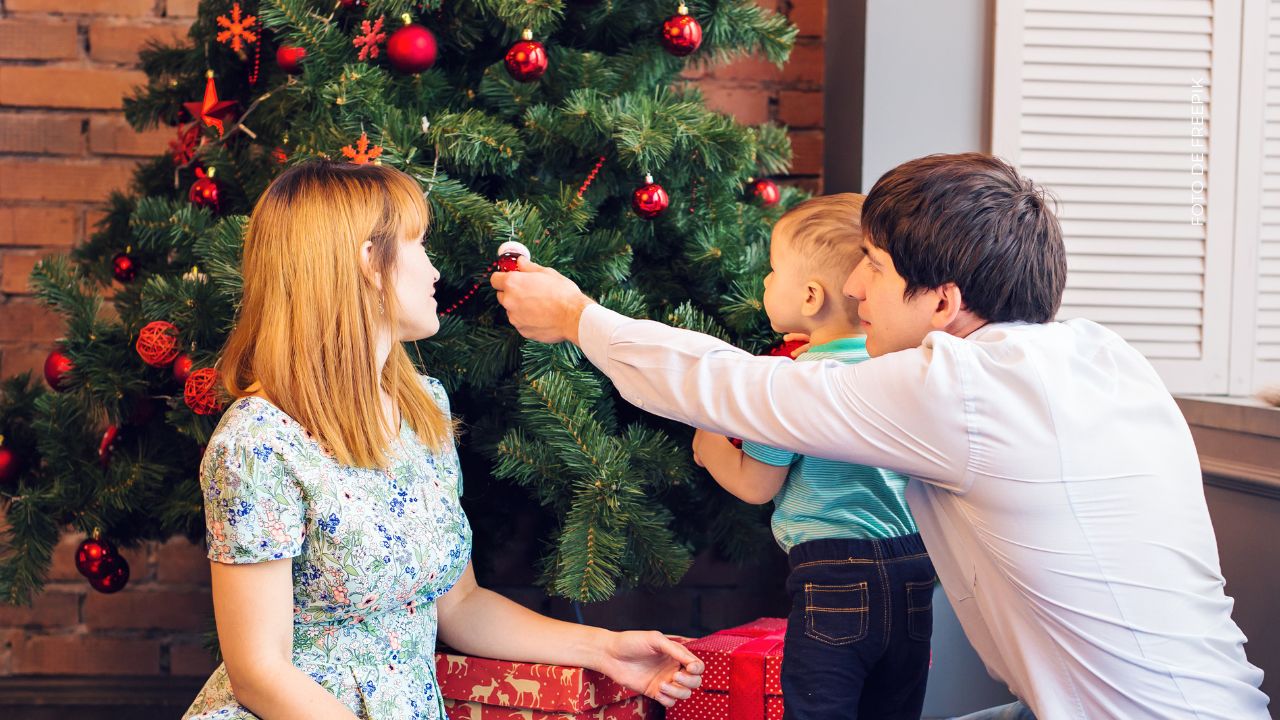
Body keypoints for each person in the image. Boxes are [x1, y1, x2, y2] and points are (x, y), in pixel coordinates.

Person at [490, 153, 1271, 719]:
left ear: (942, 301)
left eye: (876, 263)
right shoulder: (1097, 355)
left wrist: (577, 318)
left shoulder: (964, 390)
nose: (855, 287)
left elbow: (739, 388)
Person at [182, 161, 703, 720]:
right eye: (419, 246)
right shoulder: (257, 443)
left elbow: (460, 606)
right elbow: (259, 673)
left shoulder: (423, 407)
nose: (435, 272)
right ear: (368, 260)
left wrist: (606, 650)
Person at [691, 194, 934, 719]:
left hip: (835, 577)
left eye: (772, 271)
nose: (763, 283)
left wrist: (709, 444)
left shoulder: (792, 384)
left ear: (809, 296)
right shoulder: (901, 373)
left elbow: (757, 485)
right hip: (916, 569)